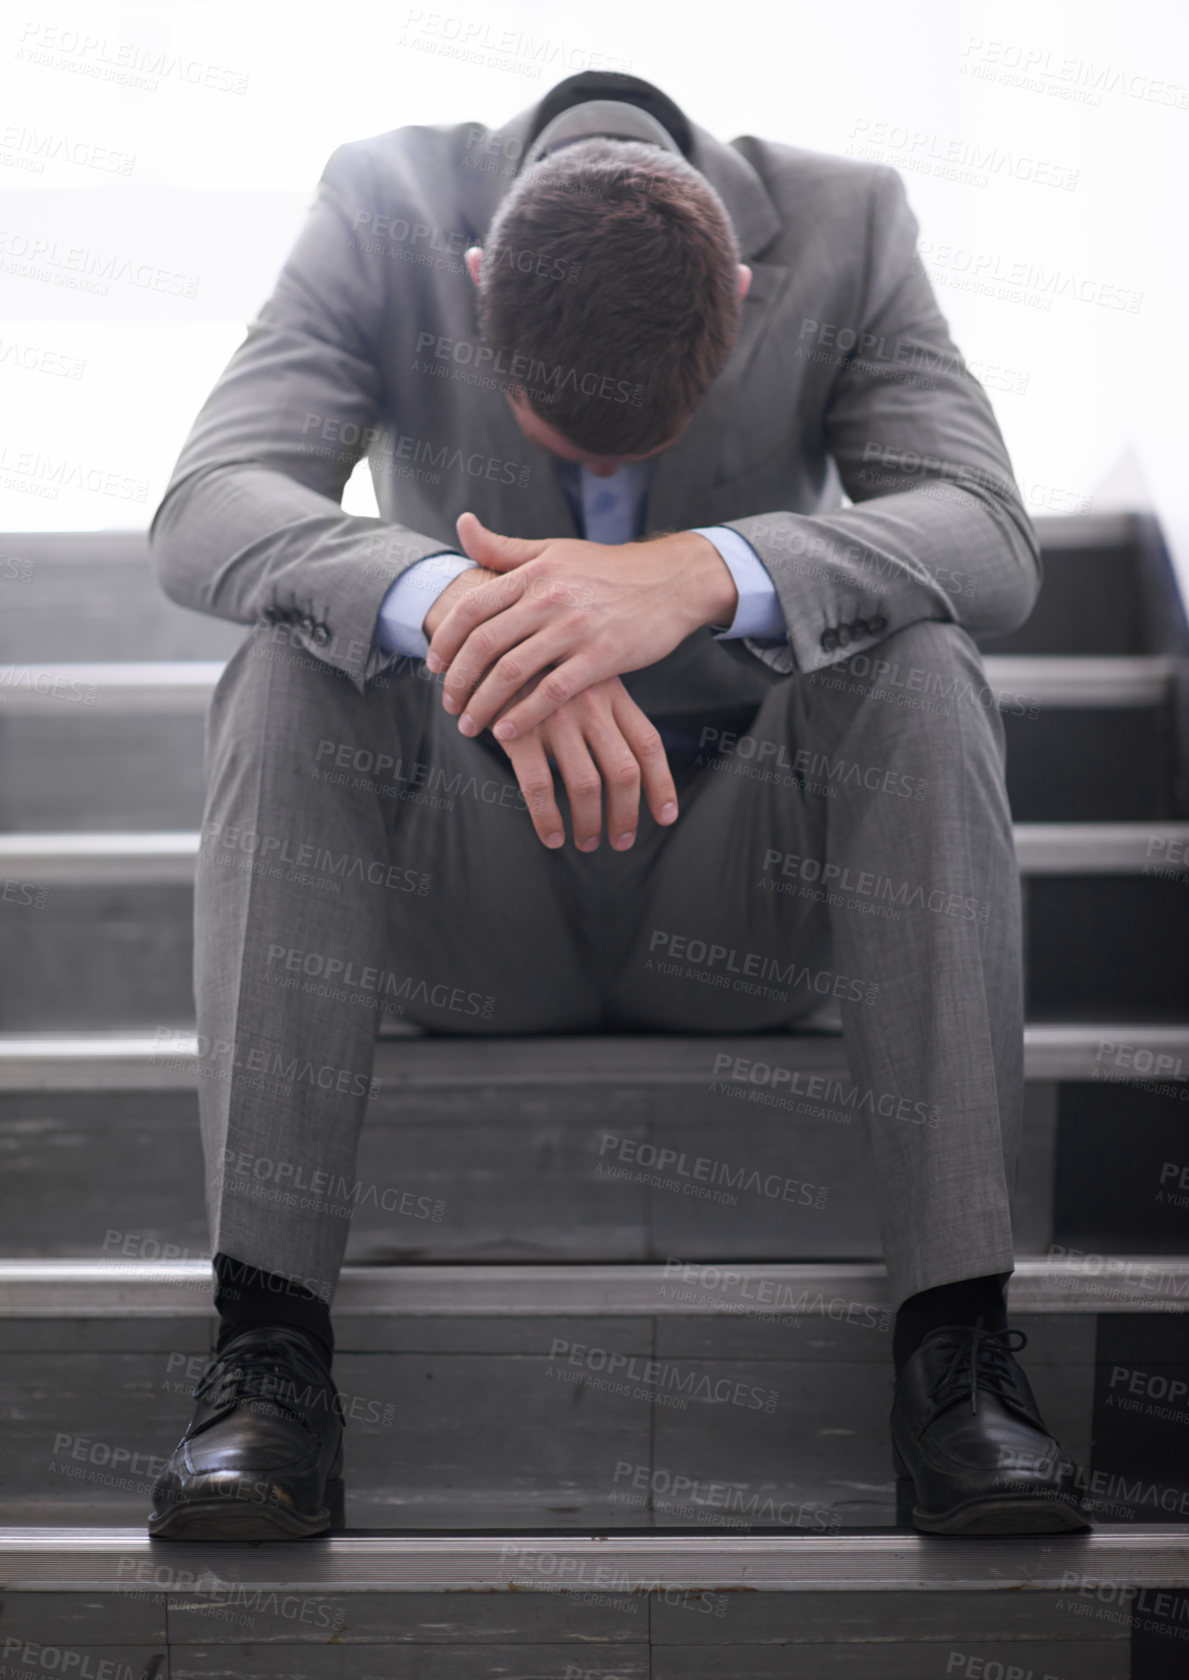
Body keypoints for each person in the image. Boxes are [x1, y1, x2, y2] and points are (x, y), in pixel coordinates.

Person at [145, 69, 1087, 1540]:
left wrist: (692, 572)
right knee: (286, 658)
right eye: (559, 436)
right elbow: (211, 500)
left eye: (636, 450)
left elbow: (983, 532)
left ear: (740, 285)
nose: (598, 478)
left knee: (924, 658)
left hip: (739, 887)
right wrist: (457, 601)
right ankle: (267, 1356)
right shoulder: (383, 201)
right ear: (473, 290)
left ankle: (956, 1361)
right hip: (475, 896)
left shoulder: (848, 223)